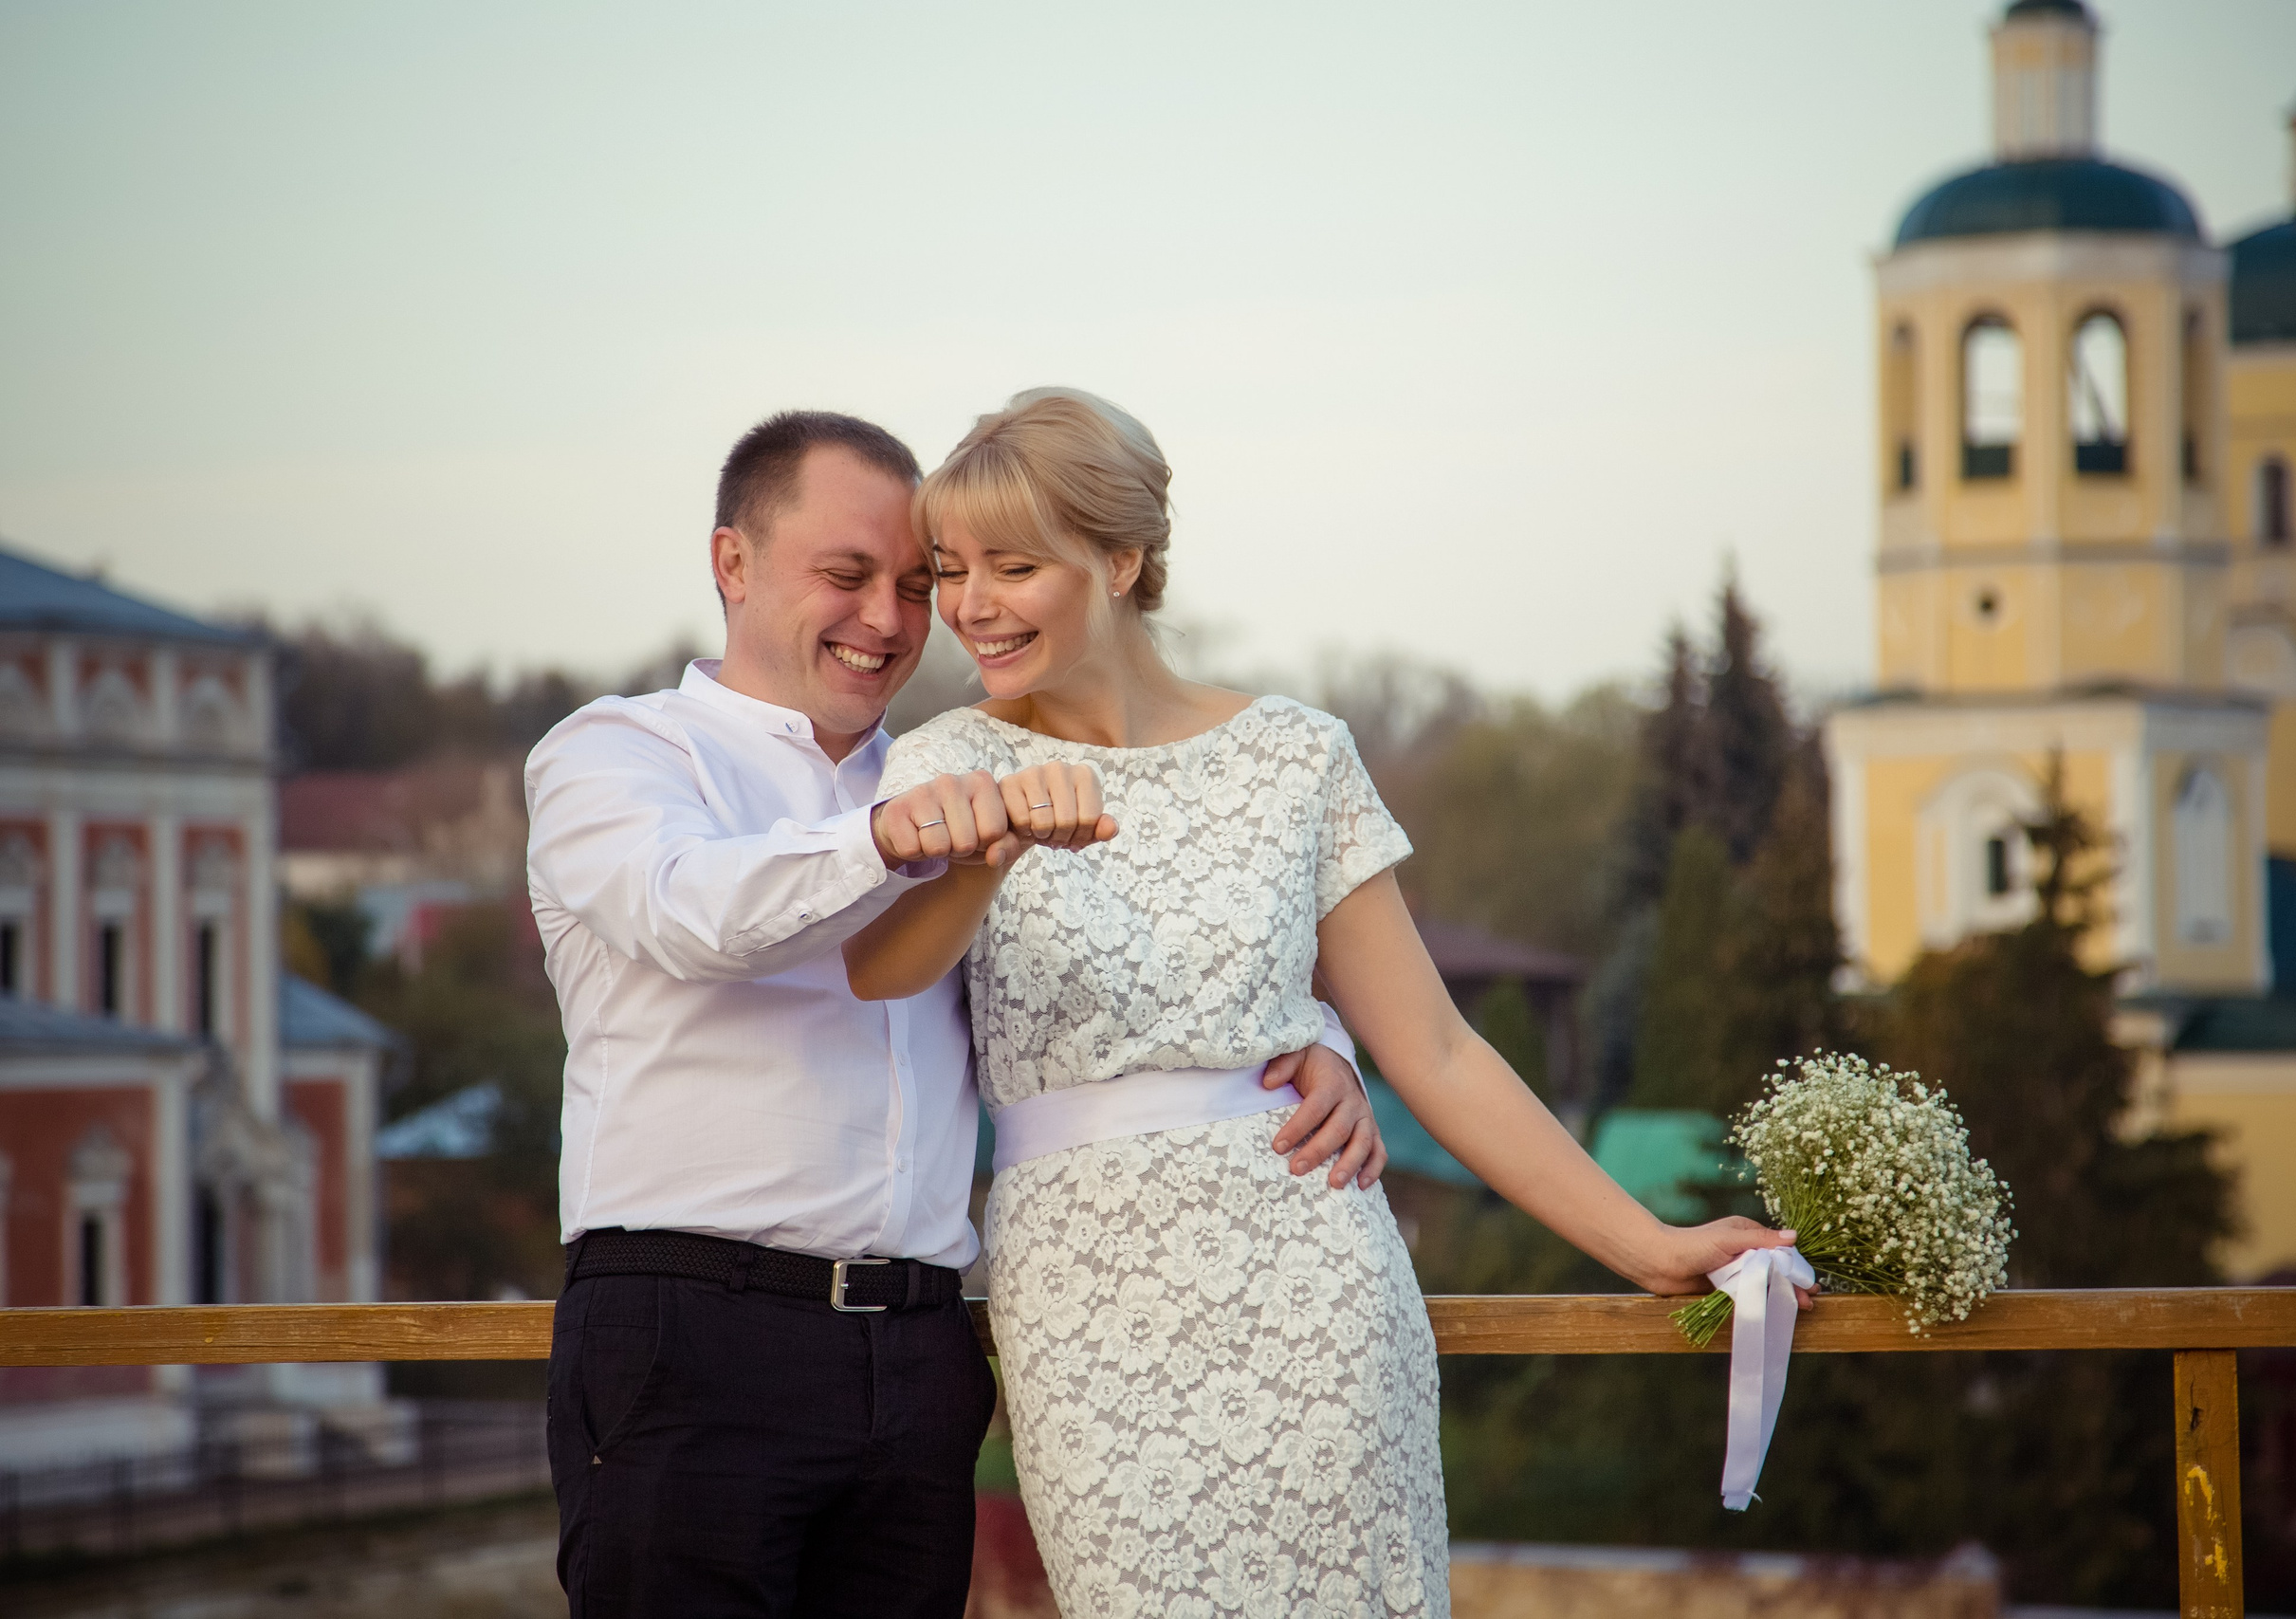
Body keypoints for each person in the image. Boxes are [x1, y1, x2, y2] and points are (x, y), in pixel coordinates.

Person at [845, 388, 1809, 1619]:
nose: (969, 604)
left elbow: (1443, 1049)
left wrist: (1651, 1245)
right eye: (952, 568)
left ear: (1124, 557)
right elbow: (879, 969)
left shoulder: (1298, 754)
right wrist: (989, 852)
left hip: (1313, 1281)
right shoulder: (943, 764)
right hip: (1086, 1302)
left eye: (1013, 565)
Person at [523, 409, 1382, 1618]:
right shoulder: (619, 758)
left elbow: (1144, 954)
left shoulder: (955, 766)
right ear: (732, 563)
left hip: (926, 1353)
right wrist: (889, 839)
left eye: (913, 583)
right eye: (845, 576)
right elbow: (689, 912)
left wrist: (1314, 1047)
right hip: (689, 1335)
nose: (887, 618)